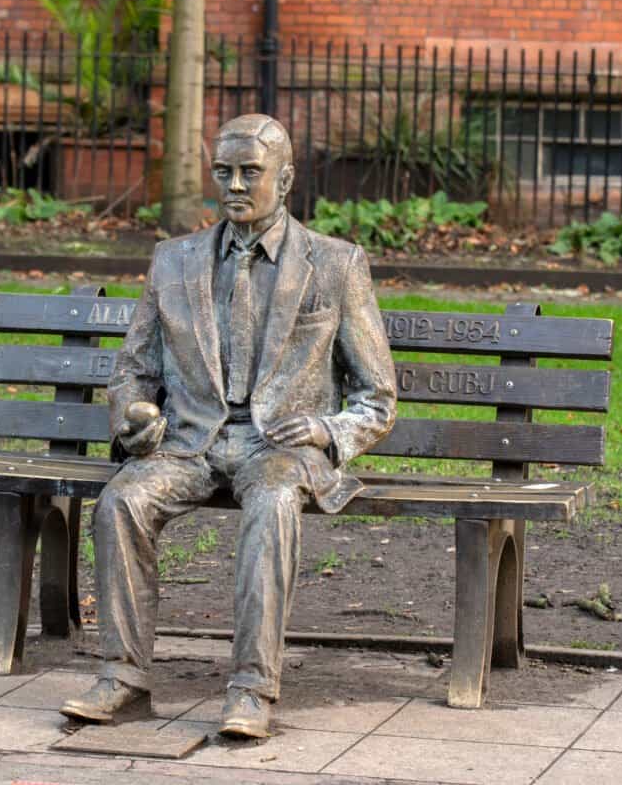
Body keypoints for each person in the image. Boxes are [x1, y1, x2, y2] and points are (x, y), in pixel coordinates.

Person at [60, 114, 396, 739]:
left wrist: (325, 431)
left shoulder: (336, 264)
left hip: (280, 448)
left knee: (271, 502)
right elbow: (132, 370)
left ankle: (251, 688)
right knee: (122, 500)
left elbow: (377, 399)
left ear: (286, 178)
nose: (235, 185)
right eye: (224, 172)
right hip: (191, 442)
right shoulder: (173, 261)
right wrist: (134, 420)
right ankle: (123, 678)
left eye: (251, 172)